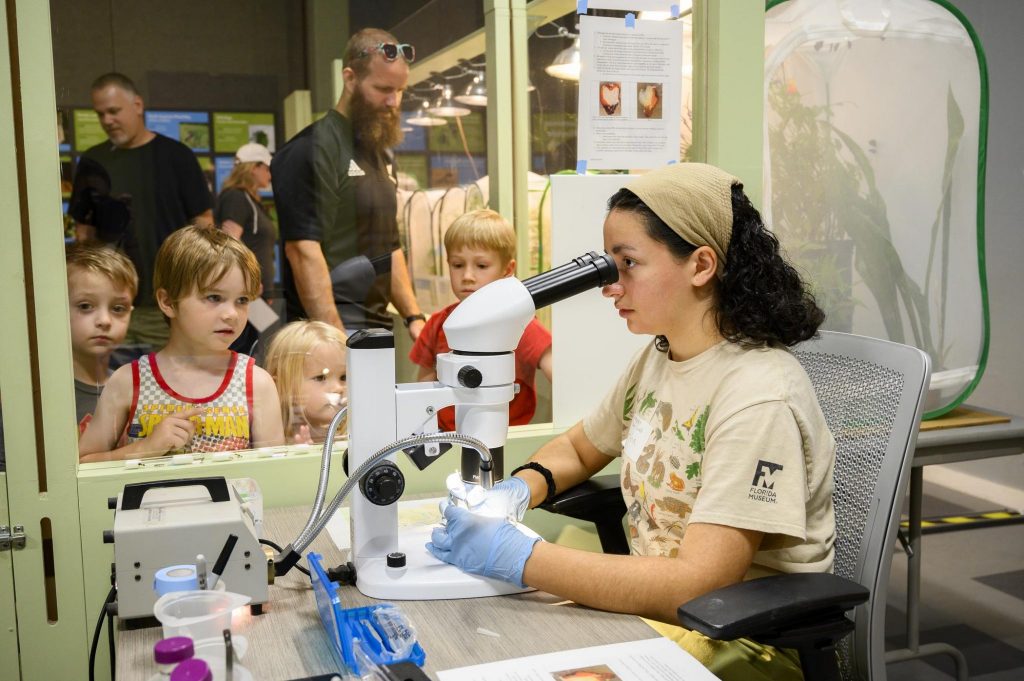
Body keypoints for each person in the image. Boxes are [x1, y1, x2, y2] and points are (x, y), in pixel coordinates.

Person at [426, 163, 836, 681]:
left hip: (740, 637)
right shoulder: (660, 358)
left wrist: (520, 556)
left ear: (701, 264)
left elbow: (699, 585)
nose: (610, 287)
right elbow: (578, 449)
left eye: (627, 264)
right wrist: (514, 492)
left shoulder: (759, 395)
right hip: (657, 615)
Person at [78, 226, 284, 463]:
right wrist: (146, 448)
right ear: (167, 302)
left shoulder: (256, 384)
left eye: (242, 300)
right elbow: (82, 466)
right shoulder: (129, 382)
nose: (231, 314)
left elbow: (274, 475)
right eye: (214, 297)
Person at [272, 28, 425, 339]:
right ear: (350, 78)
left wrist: (414, 317)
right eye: (383, 89)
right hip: (324, 340)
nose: (393, 102)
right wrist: (337, 344)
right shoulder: (310, 150)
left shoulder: (379, 153)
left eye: (400, 90)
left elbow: (389, 245)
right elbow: (303, 252)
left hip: (375, 334)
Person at [68, 72, 213, 351]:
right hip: (108, 306)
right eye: (100, 114)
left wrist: (199, 290)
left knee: (168, 388)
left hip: (167, 303)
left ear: (137, 105)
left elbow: (204, 225)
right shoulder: (92, 162)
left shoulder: (177, 156)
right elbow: (83, 235)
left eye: (113, 111)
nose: (107, 121)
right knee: (110, 389)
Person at [409, 209, 552, 429]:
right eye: (457, 265)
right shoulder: (439, 323)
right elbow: (424, 386)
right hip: (447, 440)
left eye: (481, 266)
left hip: (506, 441)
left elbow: (561, 376)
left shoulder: (518, 326)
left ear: (508, 270)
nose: (467, 276)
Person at [66, 242, 138, 435]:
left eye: (118, 309)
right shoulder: (38, 395)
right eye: (85, 306)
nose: (105, 321)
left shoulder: (131, 389)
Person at [215, 142, 278, 356]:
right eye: (267, 168)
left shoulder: (251, 200)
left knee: (263, 346)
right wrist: (246, 284)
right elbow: (228, 244)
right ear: (254, 167)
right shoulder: (236, 197)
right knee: (245, 351)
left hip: (256, 294)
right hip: (247, 294)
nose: (270, 174)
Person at [264, 321, 347, 444]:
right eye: (320, 378)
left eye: (344, 377)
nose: (338, 388)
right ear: (280, 385)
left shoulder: (352, 436)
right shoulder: (272, 442)